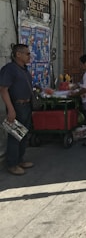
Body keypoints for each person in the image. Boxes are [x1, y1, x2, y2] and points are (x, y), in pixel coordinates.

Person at [0, 44, 34, 175]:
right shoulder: (10, 69)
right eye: (27, 54)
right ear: (18, 55)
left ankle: (20, 160)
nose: (29, 56)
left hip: (27, 106)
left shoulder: (24, 69)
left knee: (24, 135)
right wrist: (11, 109)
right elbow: (3, 90)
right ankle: (12, 164)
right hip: (16, 106)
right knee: (15, 136)